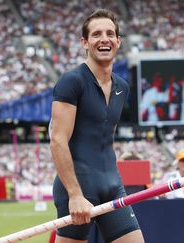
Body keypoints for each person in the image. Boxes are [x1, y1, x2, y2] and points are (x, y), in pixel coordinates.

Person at [49, 9, 144, 243]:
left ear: (118, 41)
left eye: (110, 33)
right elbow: (57, 139)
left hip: (112, 184)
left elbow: (104, 137)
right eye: (96, 34)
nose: (104, 39)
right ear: (85, 42)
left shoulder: (122, 86)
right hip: (78, 188)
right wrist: (75, 194)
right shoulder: (72, 82)